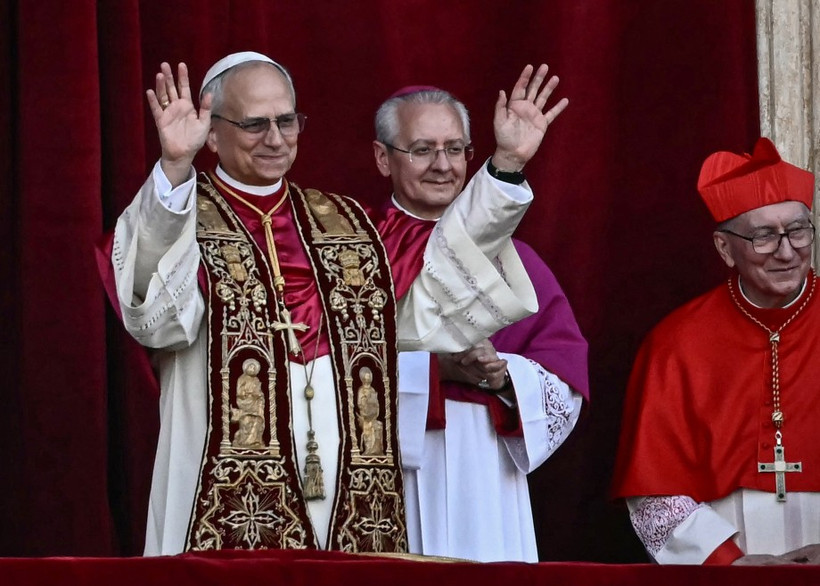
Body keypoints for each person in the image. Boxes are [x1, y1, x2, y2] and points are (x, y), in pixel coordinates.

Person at [108, 51, 567, 556]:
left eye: (287, 121)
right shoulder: (180, 213)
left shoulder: (346, 225)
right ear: (211, 134)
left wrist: (505, 167)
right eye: (255, 124)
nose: (276, 138)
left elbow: (445, 267)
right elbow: (157, 318)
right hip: (217, 489)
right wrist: (175, 167)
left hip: (346, 492)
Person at [372, 86, 588, 562]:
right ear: (384, 159)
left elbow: (565, 369)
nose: (443, 165)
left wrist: (504, 374)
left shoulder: (518, 261)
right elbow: (324, 370)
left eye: (455, 149)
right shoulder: (355, 256)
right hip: (385, 468)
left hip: (486, 468)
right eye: (422, 150)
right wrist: (438, 371)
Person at [611, 137, 820, 565]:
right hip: (723, 564)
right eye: (763, 236)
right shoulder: (676, 343)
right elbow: (654, 494)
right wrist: (728, 563)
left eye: (797, 231)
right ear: (725, 248)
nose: (786, 251)